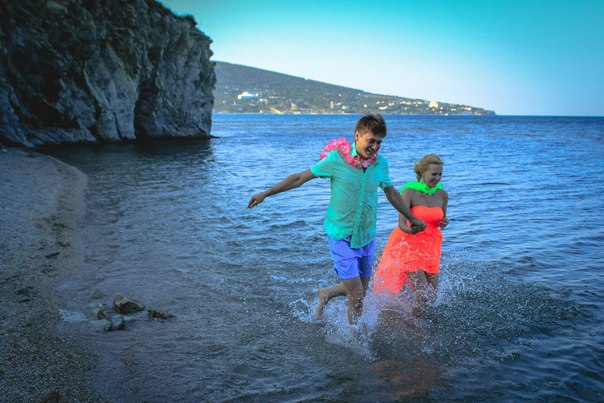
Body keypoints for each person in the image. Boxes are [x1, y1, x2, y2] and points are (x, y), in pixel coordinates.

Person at [247, 114, 426, 325]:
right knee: (357, 295)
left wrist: (411, 217)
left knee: (362, 290)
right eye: (371, 141)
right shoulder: (336, 159)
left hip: (367, 234)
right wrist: (266, 193)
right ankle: (356, 339)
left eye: (379, 142)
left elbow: (391, 193)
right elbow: (299, 178)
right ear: (357, 135)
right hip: (340, 233)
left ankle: (327, 293)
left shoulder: (381, 165)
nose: (375, 147)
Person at [372, 153, 448, 316]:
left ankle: (412, 317)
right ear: (422, 173)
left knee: (431, 296)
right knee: (422, 293)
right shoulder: (409, 192)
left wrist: (443, 222)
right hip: (408, 246)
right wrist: (412, 229)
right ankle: (411, 322)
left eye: (440, 174)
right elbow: (401, 224)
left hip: (430, 248)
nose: (437, 178)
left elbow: (442, 219)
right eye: (434, 174)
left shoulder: (442, 195)